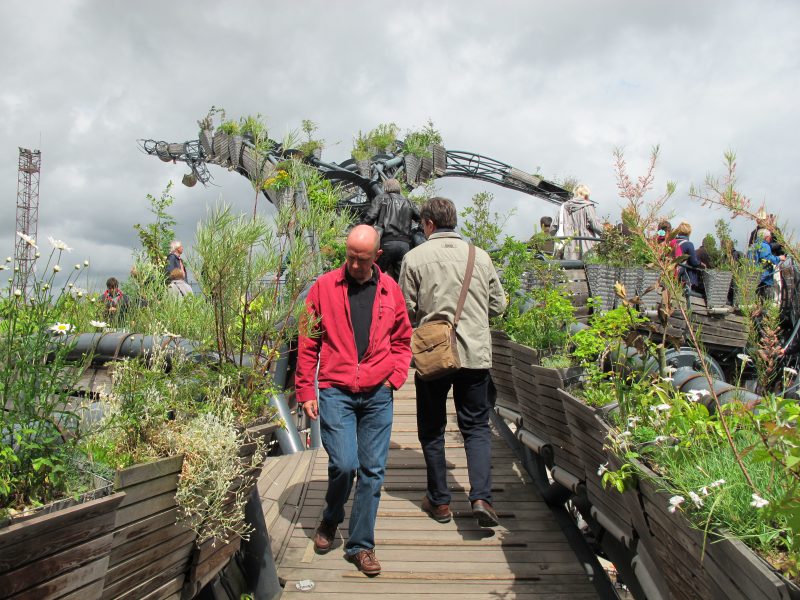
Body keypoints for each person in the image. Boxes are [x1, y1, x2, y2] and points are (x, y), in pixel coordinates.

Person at [295, 224, 412, 576]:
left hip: (378, 392)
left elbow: (403, 339)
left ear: (377, 256)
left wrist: (395, 376)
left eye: (363, 259)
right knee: (345, 464)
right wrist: (305, 390)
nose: (356, 265)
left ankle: (361, 545)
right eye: (350, 258)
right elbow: (307, 341)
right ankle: (332, 517)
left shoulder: (391, 290)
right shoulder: (323, 288)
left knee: (373, 472)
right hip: (336, 391)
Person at [398, 198, 507, 528]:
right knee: (475, 427)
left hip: (433, 355)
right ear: (453, 221)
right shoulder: (481, 257)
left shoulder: (414, 258)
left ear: (428, 224)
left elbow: (405, 310)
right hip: (475, 354)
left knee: (432, 429)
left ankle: (440, 502)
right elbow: (499, 306)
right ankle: (481, 498)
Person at [363, 178, 421, 281]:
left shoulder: (381, 198)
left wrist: (362, 230)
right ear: (399, 188)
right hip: (404, 245)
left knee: (375, 275)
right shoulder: (408, 202)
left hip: (386, 243)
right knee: (402, 280)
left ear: (385, 188)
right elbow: (421, 218)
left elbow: (370, 218)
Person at [549, 183, 603, 260]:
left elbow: (552, 229)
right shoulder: (588, 206)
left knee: (569, 270)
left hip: (568, 249)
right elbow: (595, 225)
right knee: (589, 270)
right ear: (586, 195)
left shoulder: (563, 207)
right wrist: (608, 235)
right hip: (587, 248)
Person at [748, 229, 785, 299]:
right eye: (770, 237)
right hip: (765, 279)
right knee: (767, 301)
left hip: (754, 279)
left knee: (756, 301)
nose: (770, 239)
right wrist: (779, 258)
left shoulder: (752, 247)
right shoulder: (764, 245)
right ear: (766, 237)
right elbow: (766, 258)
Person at [668, 222, 703, 291]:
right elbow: (694, 262)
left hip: (669, 270)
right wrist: (701, 264)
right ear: (689, 232)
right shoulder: (688, 244)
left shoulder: (672, 241)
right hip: (679, 274)